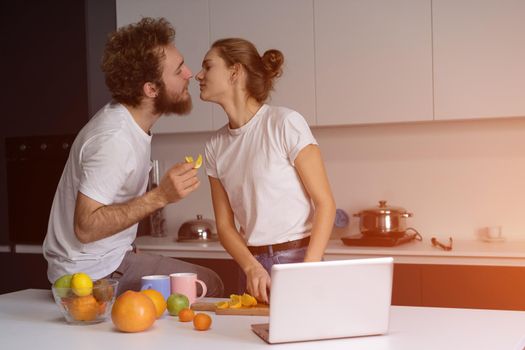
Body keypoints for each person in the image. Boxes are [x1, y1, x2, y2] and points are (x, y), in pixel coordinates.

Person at [43, 17, 224, 297]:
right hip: (91, 277)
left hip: (104, 263)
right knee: (208, 284)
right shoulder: (114, 139)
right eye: (178, 70)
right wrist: (161, 195)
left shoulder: (130, 124)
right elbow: (86, 227)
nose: (189, 73)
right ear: (150, 89)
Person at [195, 38, 336, 303]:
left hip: (299, 260)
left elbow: (325, 203)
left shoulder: (284, 123)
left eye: (208, 67)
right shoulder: (214, 146)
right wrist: (251, 266)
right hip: (251, 268)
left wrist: (309, 268)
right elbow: (225, 226)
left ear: (234, 72)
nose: (198, 75)